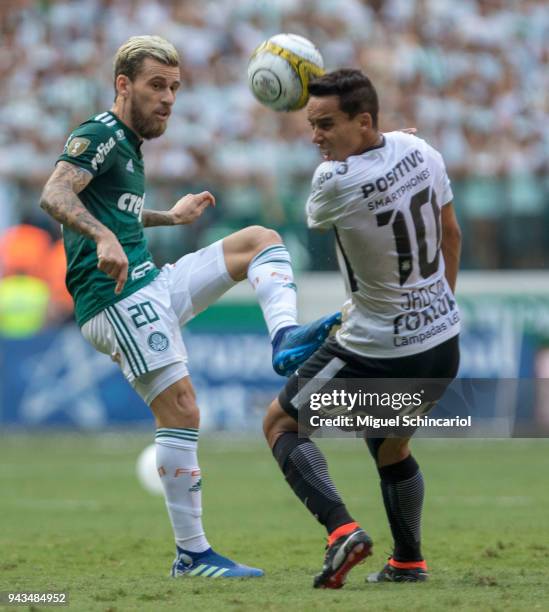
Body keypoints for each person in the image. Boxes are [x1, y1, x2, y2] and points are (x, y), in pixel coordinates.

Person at [39, 35, 340, 579]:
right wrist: (105, 239)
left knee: (259, 240)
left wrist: (168, 219)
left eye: (175, 88)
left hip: (149, 281)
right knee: (181, 408)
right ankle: (193, 555)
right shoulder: (100, 133)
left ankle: (284, 339)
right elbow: (56, 194)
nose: (169, 99)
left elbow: (112, 208)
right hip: (114, 295)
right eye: (157, 86)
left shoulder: (129, 145)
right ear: (123, 85)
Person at [263, 69, 462, 588]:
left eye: (326, 124)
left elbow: (346, 188)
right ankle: (408, 561)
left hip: (375, 346)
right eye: (311, 125)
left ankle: (341, 531)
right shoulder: (424, 153)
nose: (315, 138)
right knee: (391, 447)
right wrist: (437, 305)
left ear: (364, 120)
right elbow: (452, 235)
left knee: (280, 425)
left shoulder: (332, 183)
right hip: (442, 344)